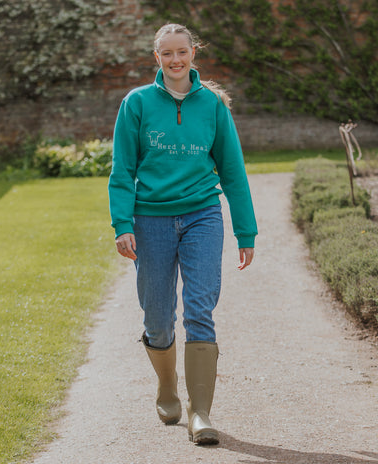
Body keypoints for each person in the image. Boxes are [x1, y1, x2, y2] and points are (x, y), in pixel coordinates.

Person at [108, 23, 257, 446]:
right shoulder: (135, 104)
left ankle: (201, 412)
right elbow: (122, 171)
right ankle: (167, 387)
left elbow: (233, 171)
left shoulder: (211, 105)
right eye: (167, 54)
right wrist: (122, 225)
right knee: (157, 317)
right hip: (150, 219)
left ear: (194, 53)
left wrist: (246, 232)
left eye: (182, 52)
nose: (176, 60)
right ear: (157, 58)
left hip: (202, 215)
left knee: (199, 308)